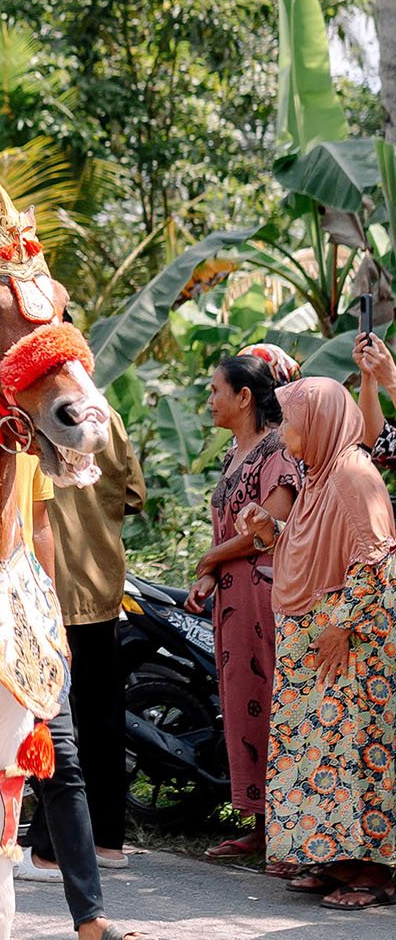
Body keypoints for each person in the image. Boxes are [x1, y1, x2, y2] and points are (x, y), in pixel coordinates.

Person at [238, 377, 396, 909]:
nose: (283, 431)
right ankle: (337, 859)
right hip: (314, 630)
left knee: (354, 749)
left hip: (346, 640)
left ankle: (371, 873)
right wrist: (270, 528)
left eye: (289, 419)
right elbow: (315, 539)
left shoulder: (353, 474)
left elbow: (378, 559)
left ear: (320, 419)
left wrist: (342, 624)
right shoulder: (319, 475)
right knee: (323, 751)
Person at [13, 450, 158, 940]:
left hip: (31, 623)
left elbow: (40, 528)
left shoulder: (29, 445)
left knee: (63, 763)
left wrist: (49, 619)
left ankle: (92, 925)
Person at [186, 353, 302, 862]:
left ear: (244, 397)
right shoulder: (235, 453)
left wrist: (212, 556)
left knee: (275, 699)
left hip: (265, 593)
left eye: (215, 391)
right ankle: (257, 824)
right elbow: (227, 528)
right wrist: (210, 573)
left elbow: (269, 526)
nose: (209, 400)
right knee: (241, 701)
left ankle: (288, 829)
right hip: (232, 599)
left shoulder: (278, 450)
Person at [45, 406, 146, 868]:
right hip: (101, 584)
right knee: (103, 717)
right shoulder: (108, 416)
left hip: (46, 591)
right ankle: (108, 842)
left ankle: (49, 848)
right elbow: (132, 493)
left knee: (50, 723)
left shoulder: (24, 415)